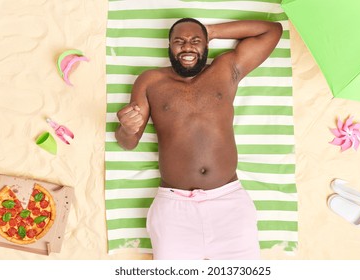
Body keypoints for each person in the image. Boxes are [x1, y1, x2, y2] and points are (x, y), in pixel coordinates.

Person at [115, 18, 282, 259]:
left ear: (206, 44)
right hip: (174, 210)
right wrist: (127, 129)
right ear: (169, 46)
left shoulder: (226, 68)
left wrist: (210, 31)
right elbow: (127, 143)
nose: (187, 47)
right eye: (179, 42)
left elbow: (271, 30)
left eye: (195, 41)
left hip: (229, 203)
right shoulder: (150, 80)